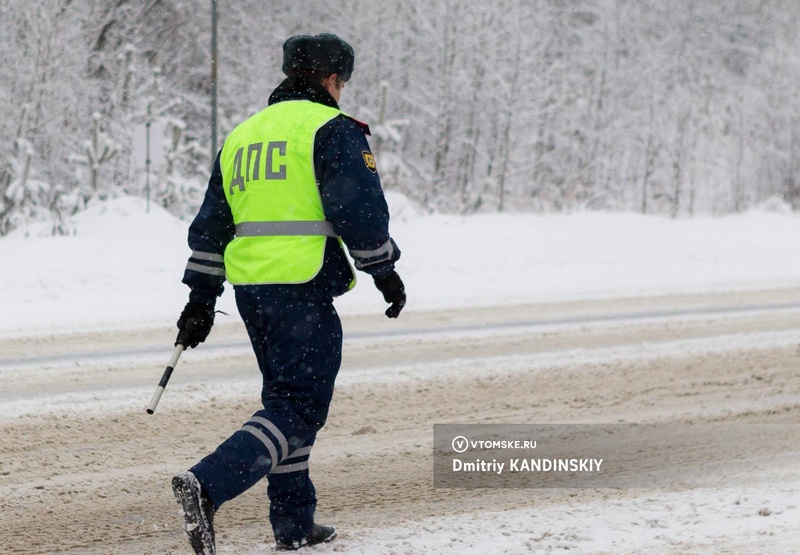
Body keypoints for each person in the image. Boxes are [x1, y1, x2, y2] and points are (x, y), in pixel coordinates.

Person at [169, 33, 406, 554]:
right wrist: (383, 270)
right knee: (299, 407)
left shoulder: (242, 135)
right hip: (302, 287)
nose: (342, 90)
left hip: (253, 290)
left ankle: (295, 523)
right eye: (341, 81)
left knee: (283, 401)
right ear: (329, 79)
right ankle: (208, 485)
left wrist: (201, 298)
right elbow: (359, 211)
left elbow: (211, 225)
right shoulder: (331, 128)